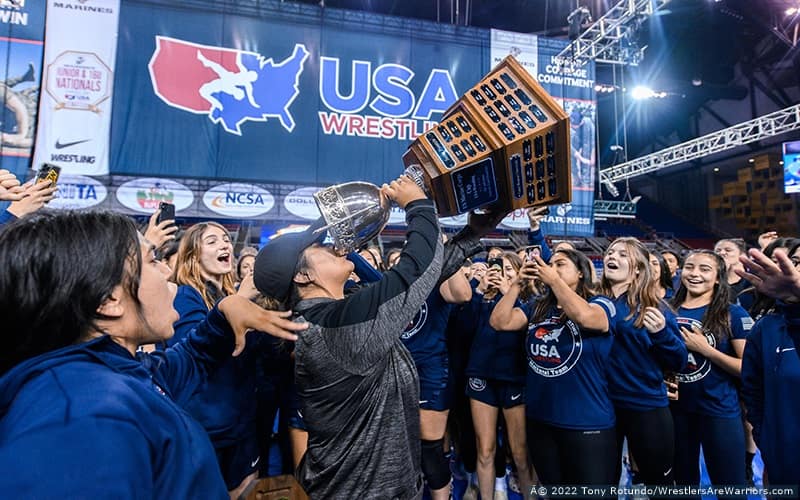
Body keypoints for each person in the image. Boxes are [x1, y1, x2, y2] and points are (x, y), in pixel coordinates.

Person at [0, 210, 305, 497]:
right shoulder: (81, 418)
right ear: (109, 300)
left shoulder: (116, 369)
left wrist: (225, 311)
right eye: (153, 260)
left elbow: (192, 359)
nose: (167, 271)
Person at [253, 174, 501, 499]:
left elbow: (426, 281)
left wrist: (474, 233)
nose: (333, 245)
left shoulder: (337, 311)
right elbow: (413, 275)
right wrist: (418, 205)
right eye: (318, 247)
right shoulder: (336, 326)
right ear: (303, 275)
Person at [491, 249, 616, 487]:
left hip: (586, 421)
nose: (552, 268)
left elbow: (584, 317)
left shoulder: (601, 303)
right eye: (551, 264)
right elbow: (499, 322)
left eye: (561, 264)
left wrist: (554, 281)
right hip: (542, 419)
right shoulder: (538, 306)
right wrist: (517, 284)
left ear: (581, 272)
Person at [168, 222, 264, 498]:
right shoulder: (186, 296)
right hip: (207, 429)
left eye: (225, 240)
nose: (224, 245)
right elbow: (194, 352)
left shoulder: (227, 295)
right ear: (192, 256)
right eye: (212, 241)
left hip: (241, 426)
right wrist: (239, 301)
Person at [590, 237, 686, 485]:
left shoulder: (655, 308)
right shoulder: (591, 305)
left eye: (623, 255)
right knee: (602, 483)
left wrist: (662, 334)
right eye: (611, 253)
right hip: (601, 407)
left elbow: (679, 361)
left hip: (646, 406)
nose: (613, 257)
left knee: (659, 485)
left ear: (638, 270)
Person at [669, 250, 751, 493]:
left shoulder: (733, 313)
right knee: (683, 486)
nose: (695, 274)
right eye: (689, 267)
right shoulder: (666, 309)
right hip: (676, 412)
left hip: (719, 410)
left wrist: (706, 350)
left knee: (729, 486)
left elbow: (747, 368)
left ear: (717, 278)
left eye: (704, 269)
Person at [464, 252, 535, 500]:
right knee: (485, 450)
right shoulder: (481, 298)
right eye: (497, 269)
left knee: (520, 453)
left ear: (519, 273)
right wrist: (478, 291)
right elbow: (464, 330)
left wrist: (509, 292)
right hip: (481, 375)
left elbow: (528, 332)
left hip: (514, 378)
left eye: (508, 270)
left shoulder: (529, 300)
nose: (501, 274)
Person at [742, 241, 800, 487]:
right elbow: (753, 390)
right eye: (795, 261)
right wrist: (766, 439)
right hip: (784, 461)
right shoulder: (766, 327)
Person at [714, 238, 752, 309]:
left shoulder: (750, 280)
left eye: (728, 250)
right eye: (718, 251)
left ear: (742, 254)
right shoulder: (712, 280)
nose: (722, 253)